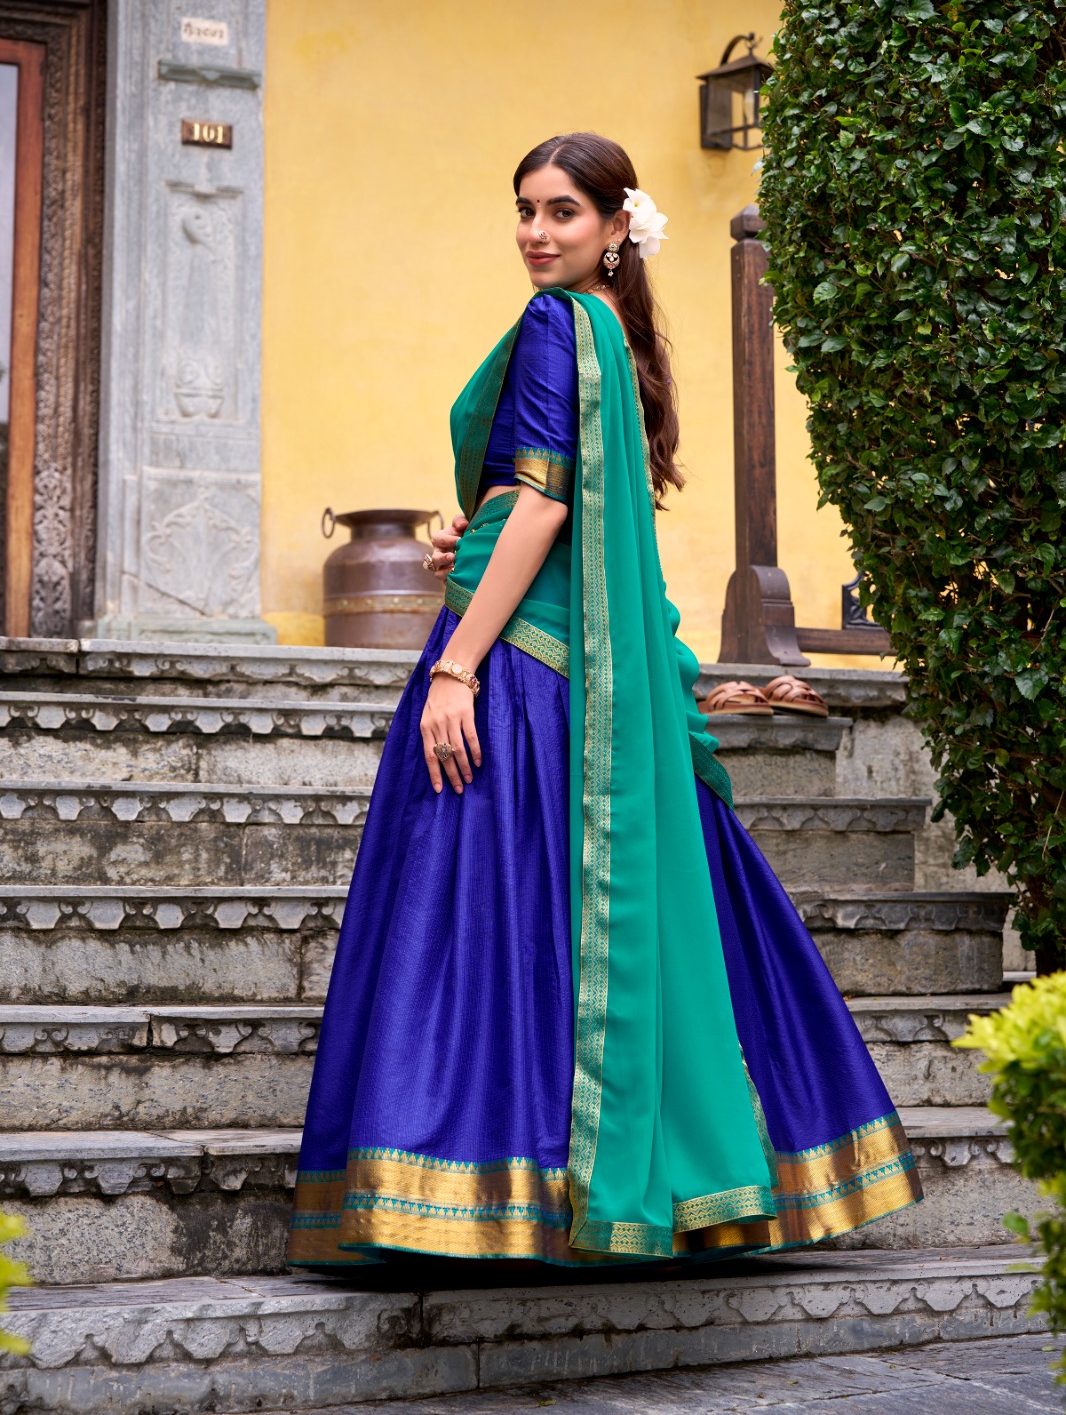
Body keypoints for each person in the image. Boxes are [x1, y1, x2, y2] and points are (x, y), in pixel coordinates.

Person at [287, 132, 922, 1269]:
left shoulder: (554, 324)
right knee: (560, 910)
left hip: (519, 663)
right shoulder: (614, 335)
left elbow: (542, 508)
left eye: (563, 211)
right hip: (571, 655)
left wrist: (454, 669)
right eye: (525, 209)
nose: (536, 232)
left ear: (616, 225)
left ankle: (474, 1186)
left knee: (486, 913)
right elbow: (539, 505)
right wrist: (475, 524)